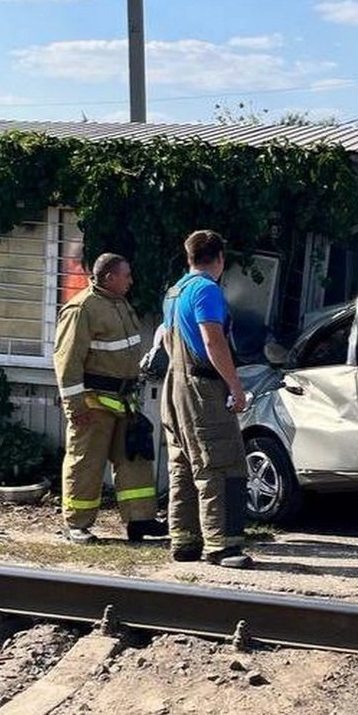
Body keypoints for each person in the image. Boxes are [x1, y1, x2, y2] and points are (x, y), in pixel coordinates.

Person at [53, 253, 167, 544]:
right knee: (85, 463)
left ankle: (140, 520)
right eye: (126, 276)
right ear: (109, 278)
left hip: (124, 401)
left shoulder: (119, 303)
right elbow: (67, 362)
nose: (131, 281)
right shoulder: (81, 309)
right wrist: (75, 407)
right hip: (93, 403)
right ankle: (77, 525)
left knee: (134, 460)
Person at [160, 230, 252, 568]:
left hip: (175, 385)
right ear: (220, 259)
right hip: (202, 390)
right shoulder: (206, 290)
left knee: (182, 464)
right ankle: (223, 546)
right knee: (220, 462)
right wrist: (235, 387)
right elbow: (213, 341)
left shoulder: (174, 291)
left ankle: (184, 542)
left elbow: (169, 341)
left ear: (188, 258)